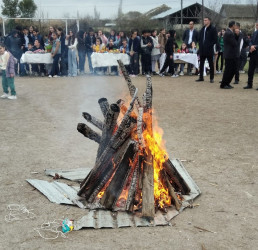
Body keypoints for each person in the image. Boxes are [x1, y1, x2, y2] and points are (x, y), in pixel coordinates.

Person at [196, 17, 217, 83]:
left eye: (206, 20)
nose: (204, 21)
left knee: (211, 64)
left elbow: (215, 39)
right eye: (204, 20)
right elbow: (199, 38)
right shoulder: (203, 29)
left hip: (209, 49)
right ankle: (201, 77)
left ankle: (211, 78)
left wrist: (209, 45)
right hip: (202, 49)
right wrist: (200, 44)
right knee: (201, 64)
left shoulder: (213, 29)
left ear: (209, 21)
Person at [220, 21, 238, 89]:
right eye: (235, 25)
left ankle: (227, 82)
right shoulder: (229, 33)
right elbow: (234, 43)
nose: (236, 27)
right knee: (228, 70)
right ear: (232, 26)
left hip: (230, 54)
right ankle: (224, 84)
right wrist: (236, 36)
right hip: (229, 54)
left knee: (232, 69)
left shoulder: (229, 32)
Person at [243, 21, 258, 90]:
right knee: (250, 70)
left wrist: (254, 47)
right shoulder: (254, 33)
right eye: (256, 25)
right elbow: (250, 41)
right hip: (253, 54)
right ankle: (249, 84)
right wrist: (251, 46)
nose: (257, 26)